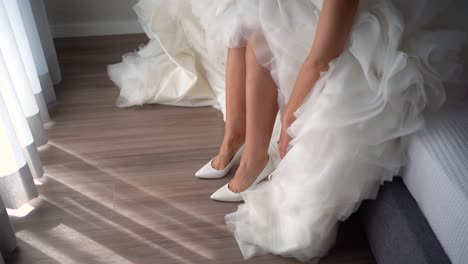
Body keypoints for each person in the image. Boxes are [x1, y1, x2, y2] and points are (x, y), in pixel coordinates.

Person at [109, 0, 467, 261]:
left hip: (348, 27)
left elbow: (320, 59)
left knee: (263, 41)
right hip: (315, 15)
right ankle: (233, 138)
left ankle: (255, 159)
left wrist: (290, 124)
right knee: (241, 24)